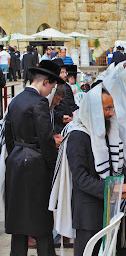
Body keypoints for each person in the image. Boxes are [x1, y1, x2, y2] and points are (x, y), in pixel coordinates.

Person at [64, 85, 126, 256]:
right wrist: (114, 187)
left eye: (112, 108)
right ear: (94, 110)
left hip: (109, 207)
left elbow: (115, 164)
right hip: (89, 213)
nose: (112, 113)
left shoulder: (106, 131)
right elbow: (80, 178)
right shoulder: (78, 136)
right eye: (107, 108)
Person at [4, 60, 65, 255]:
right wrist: (53, 166)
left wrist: (17, 153)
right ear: (46, 82)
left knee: (19, 225)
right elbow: (46, 140)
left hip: (16, 161)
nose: (51, 92)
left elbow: (8, 136)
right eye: (52, 87)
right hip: (35, 165)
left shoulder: (16, 100)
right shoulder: (39, 102)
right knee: (41, 223)